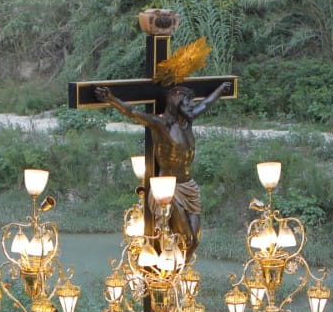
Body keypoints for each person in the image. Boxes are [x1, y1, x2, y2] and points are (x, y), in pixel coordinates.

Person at [94, 78, 232, 263]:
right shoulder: (161, 124)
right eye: (187, 101)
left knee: (195, 241)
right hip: (168, 190)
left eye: (192, 101)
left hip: (189, 187)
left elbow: (206, 104)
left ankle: (176, 276)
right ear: (175, 100)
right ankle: (168, 275)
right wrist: (112, 99)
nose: (192, 106)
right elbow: (133, 112)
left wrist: (221, 89)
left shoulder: (187, 121)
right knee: (185, 238)